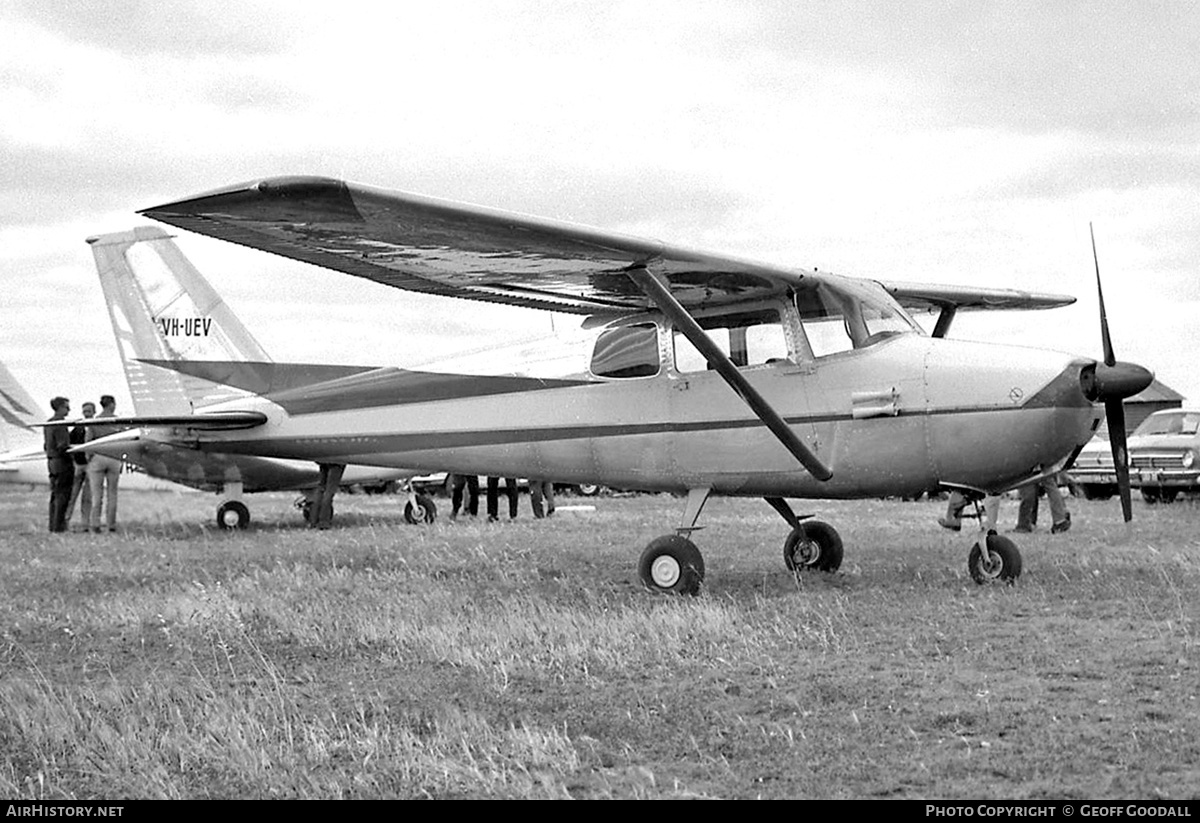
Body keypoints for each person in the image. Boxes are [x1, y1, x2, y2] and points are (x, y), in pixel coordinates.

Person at [85, 395, 123, 533]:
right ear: (112, 404)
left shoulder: (95, 422)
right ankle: (111, 524)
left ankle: (95, 523)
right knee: (112, 493)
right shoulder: (117, 421)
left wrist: (89, 458)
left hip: (98, 457)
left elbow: (88, 441)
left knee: (97, 494)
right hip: (113, 457)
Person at [43, 396, 73, 533]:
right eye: (66, 407)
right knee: (63, 495)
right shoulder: (61, 424)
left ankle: (53, 525)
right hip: (62, 462)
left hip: (51, 461)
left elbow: (46, 444)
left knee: (55, 495)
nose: (69, 410)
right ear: (60, 408)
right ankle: (59, 527)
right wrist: (72, 454)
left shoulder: (48, 424)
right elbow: (62, 446)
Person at [66, 401, 96, 528]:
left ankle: (85, 522)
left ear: (94, 412)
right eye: (85, 412)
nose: (87, 414)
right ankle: (66, 520)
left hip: (92, 467)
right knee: (72, 495)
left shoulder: (97, 428)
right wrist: (73, 461)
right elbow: (69, 445)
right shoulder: (78, 428)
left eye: (89, 411)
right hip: (79, 465)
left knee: (87, 497)